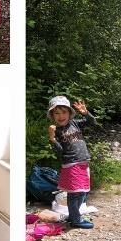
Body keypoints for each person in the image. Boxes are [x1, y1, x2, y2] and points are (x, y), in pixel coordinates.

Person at [48, 95, 96, 230]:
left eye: (64, 112)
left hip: (83, 162)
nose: (61, 116)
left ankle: (74, 215)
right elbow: (59, 151)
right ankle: (75, 220)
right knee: (75, 193)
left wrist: (86, 113)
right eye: (56, 113)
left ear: (70, 113)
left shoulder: (75, 124)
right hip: (71, 164)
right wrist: (52, 139)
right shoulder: (57, 131)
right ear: (52, 115)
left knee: (82, 192)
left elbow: (92, 123)